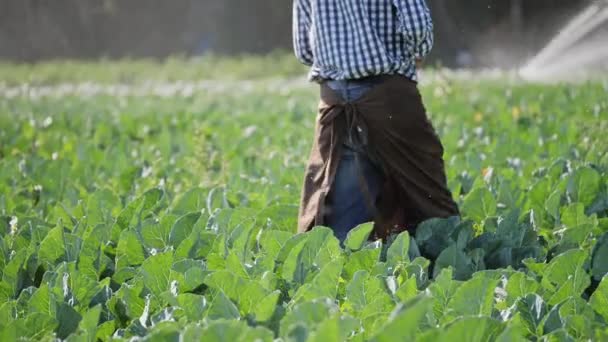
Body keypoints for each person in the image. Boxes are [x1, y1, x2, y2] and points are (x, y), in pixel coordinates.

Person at [293, 0, 460, 242]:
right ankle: (443, 261)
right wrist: (418, 52)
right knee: (426, 189)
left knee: (344, 218)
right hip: (387, 95)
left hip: (335, 98)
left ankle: (348, 268)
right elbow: (416, 25)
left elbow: (304, 50)